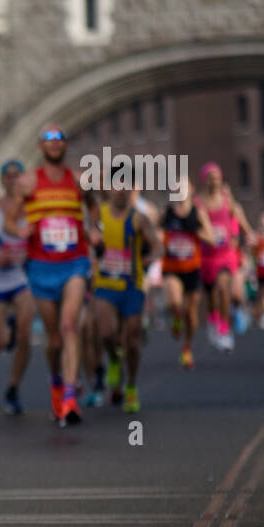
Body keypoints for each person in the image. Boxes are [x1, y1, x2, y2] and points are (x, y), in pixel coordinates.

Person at [15, 124, 99, 426]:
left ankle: (69, 397)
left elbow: (93, 208)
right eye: (48, 139)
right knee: (52, 340)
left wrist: (94, 229)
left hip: (74, 262)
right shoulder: (26, 183)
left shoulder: (78, 181)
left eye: (59, 138)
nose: (54, 143)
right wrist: (19, 230)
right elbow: (11, 219)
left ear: (65, 145)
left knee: (68, 326)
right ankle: (55, 381)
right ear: (41, 146)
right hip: (40, 266)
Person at [92, 164, 163, 413]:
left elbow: (157, 246)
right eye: (115, 184)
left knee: (132, 340)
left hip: (133, 285)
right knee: (107, 334)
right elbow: (87, 236)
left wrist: (147, 258)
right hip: (105, 284)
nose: (120, 190)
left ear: (132, 189)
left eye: (125, 185)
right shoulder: (98, 215)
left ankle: (131, 385)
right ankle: (113, 359)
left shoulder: (139, 219)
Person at [0, 161, 34, 415]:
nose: (12, 180)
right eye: (8, 176)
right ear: (2, 181)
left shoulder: (31, 208)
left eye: (17, 176)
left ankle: (13, 387)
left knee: (26, 335)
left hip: (20, 278)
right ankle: (7, 331)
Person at [196, 163, 254, 351]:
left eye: (218, 178)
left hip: (225, 254)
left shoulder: (227, 200)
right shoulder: (199, 202)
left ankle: (224, 329)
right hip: (206, 256)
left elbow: (236, 217)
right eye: (211, 178)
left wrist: (245, 233)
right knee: (211, 294)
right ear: (205, 180)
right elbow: (196, 227)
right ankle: (213, 319)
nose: (215, 181)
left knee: (223, 289)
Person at [160, 178, 216, 368]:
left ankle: (187, 348)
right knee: (174, 303)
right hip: (172, 267)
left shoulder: (198, 213)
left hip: (192, 268)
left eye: (182, 186)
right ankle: (176, 318)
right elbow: (156, 233)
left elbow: (212, 239)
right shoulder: (167, 212)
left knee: (191, 313)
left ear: (191, 189)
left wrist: (196, 231)